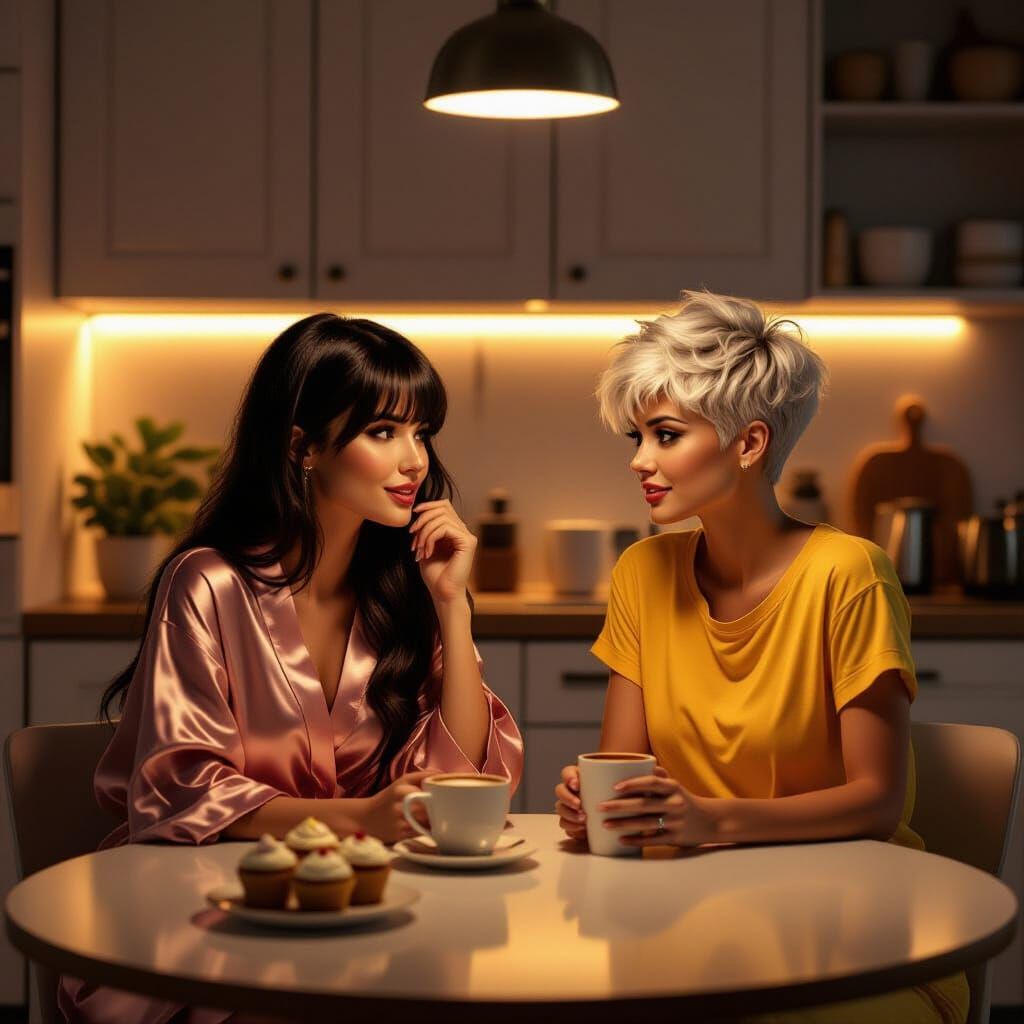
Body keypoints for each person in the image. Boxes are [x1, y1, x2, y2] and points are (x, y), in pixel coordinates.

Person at [60, 312, 523, 1023]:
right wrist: (359, 818)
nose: (415, 462)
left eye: (420, 432)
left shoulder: (403, 591)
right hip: (211, 914)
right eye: (383, 432)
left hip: (365, 914)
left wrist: (453, 607)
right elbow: (182, 789)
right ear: (302, 447)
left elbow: (468, 782)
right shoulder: (208, 583)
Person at [553, 290, 968, 1024]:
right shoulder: (642, 574)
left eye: (665, 434)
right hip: (689, 916)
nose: (641, 460)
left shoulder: (850, 574)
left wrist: (709, 821)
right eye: (636, 437)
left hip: (856, 928)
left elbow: (875, 803)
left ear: (749, 444)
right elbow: (622, 772)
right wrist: (599, 812)